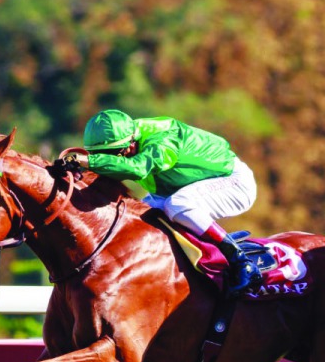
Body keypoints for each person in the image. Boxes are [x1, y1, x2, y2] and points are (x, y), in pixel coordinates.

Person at [65, 109, 262, 294]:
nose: (108, 161)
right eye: (99, 155)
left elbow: (138, 168)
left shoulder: (162, 139)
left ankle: (240, 261)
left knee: (178, 204)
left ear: (130, 144)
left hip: (233, 181)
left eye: (111, 156)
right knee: (135, 220)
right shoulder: (125, 138)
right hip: (177, 188)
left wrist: (90, 162)